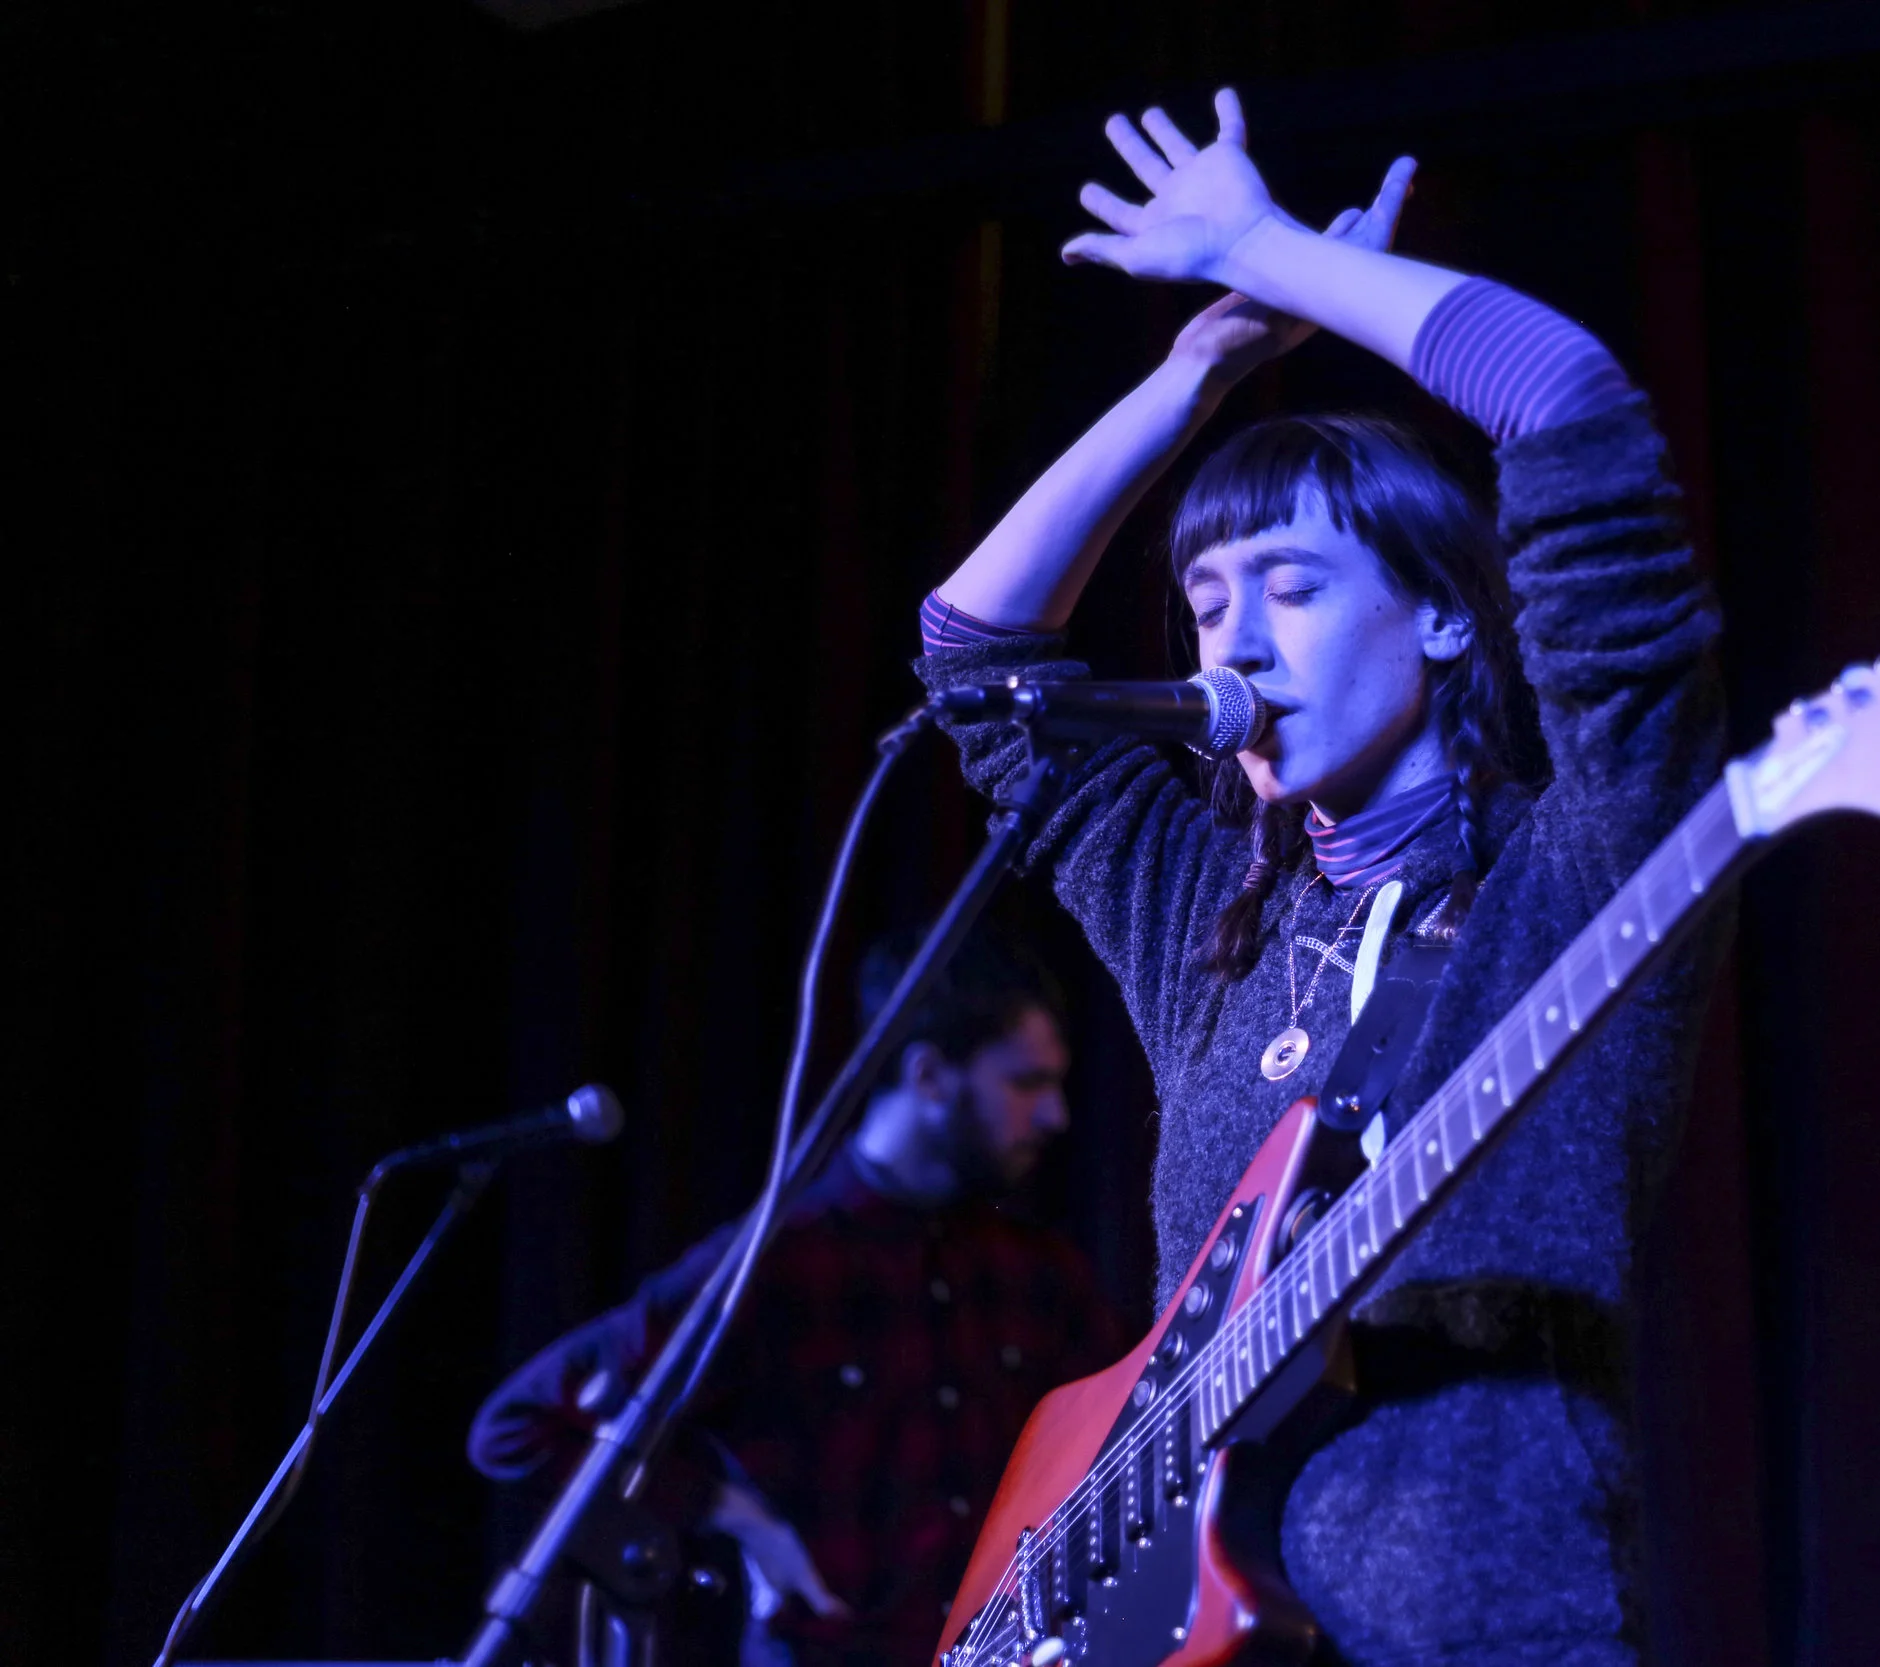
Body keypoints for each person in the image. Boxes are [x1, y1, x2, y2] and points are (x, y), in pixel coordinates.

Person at [915, 91, 1727, 1667]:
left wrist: (1274, 250)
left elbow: (1571, 415)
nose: (1235, 637)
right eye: (1206, 596)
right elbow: (973, 656)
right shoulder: (1209, 914)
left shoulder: (1571, 868)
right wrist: (1195, 371)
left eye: (1292, 583)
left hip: (1478, 1609)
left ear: (1440, 619)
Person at [468, 926, 1128, 1667]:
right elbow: (516, 1424)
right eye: (1026, 1082)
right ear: (930, 1075)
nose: (1054, 1116)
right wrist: (734, 1512)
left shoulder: (1039, 1271)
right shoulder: (775, 1259)